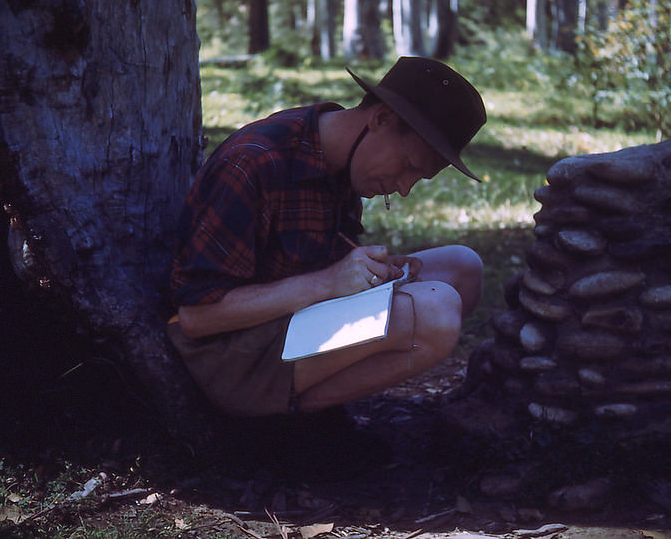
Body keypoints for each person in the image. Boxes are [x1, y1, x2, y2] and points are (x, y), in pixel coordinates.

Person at [167, 56, 487, 418]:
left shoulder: (341, 158)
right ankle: (286, 426)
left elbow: (323, 262)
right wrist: (329, 281)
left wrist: (372, 271)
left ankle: (316, 412)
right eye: (409, 166)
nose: (404, 188)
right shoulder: (255, 162)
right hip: (229, 357)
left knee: (463, 269)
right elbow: (198, 317)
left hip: (291, 326)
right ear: (380, 119)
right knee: (435, 312)